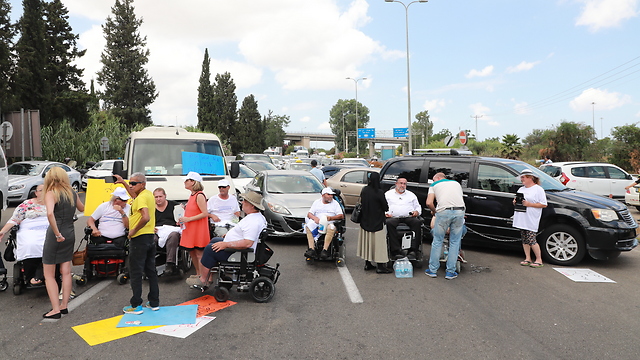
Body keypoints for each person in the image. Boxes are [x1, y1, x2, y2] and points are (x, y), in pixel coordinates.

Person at [186, 191, 267, 288]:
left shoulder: (253, 222)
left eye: (245, 201)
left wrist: (226, 244)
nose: (242, 202)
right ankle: (208, 276)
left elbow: (247, 243)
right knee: (215, 240)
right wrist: (228, 236)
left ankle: (203, 279)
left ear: (252, 206)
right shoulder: (256, 217)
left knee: (209, 249)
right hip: (237, 249)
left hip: (240, 253)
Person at [42, 167, 84, 319]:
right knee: (66, 271)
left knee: (49, 274)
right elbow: (83, 208)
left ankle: (55, 309)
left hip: (57, 233)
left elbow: (49, 213)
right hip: (70, 231)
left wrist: (57, 234)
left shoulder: (51, 193)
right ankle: (64, 305)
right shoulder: (71, 192)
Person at [114, 172, 159, 314]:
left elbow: (145, 217)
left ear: (143, 184)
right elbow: (134, 195)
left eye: (134, 183)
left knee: (135, 272)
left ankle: (136, 304)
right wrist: (123, 182)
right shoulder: (146, 195)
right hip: (149, 237)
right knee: (151, 271)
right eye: (130, 183)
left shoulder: (141, 198)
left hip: (139, 238)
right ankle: (154, 302)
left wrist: (133, 230)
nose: (131, 186)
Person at [0, 184, 48, 286]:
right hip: (29, 229)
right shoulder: (26, 204)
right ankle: (31, 275)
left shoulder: (53, 204)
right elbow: (14, 219)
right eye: (40, 190)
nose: (43, 192)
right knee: (29, 244)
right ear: (35, 193)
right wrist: (2, 232)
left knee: (49, 243)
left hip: (47, 229)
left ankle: (43, 270)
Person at [425, 172, 465, 280]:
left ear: (437, 178)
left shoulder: (434, 185)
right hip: (459, 211)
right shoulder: (456, 183)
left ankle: (432, 270)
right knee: (455, 242)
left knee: (438, 241)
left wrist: (434, 211)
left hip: (443, 212)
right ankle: (450, 272)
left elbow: (429, 202)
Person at [356, 172, 391, 273]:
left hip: (365, 220)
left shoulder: (365, 190)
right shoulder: (379, 192)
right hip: (377, 222)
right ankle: (380, 266)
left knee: (367, 243)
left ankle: (368, 263)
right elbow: (385, 207)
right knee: (379, 244)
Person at [513, 169, 548, 268]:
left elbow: (544, 204)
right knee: (524, 238)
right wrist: (516, 201)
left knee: (531, 238)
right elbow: (518, 199)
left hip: (531, 217)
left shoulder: (538, 189)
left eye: (523, 177)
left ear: (530, 178)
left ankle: (539, 259)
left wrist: (530, 204)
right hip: (522, 216)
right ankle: (527, 258)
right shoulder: (521, 189)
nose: (521, 179)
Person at [179, 171, 210, 279]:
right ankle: (198, 274)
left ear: (193, 182)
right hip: (190, 228)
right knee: (192, 252)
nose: (185, 182)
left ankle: (203, 276)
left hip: (197, 229)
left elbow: (205, 213)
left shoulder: (199, 195)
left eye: (187, 180)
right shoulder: (192, 195)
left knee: (199, 254)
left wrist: (188, 218)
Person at [385, 177, 422, 259]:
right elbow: (381, 206)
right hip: (393, 217)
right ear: (396, 184)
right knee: (389, 223)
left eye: (404, 184)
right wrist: (385, 214)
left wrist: (416, 212)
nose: (402, 185)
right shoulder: (388, 194)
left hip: (408, 217)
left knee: (417, 222)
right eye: (401, 183)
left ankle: (413, 250)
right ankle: (395, 251)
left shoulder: (411, 195)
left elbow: (418, 207)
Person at [303, 188, 344, 260]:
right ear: (323, 195)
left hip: (329, 223)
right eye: (328, 195)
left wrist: (331, 218)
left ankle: (324, 250)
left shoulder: (335, 203)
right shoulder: (317, 202)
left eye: (331, 195)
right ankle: (311, 249)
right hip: (318, 223)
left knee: (330, 228)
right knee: (308, 226)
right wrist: (315, 218)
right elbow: (309, 214)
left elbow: (341, 215)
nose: (331, 196)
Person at [153, 187, 181, 276]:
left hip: (172, 228)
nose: (158, 199)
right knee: (150, 238)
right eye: (156, 197)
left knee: (174, 236)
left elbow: (182, 215)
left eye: (160, 196)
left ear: (165, 196)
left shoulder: (174, 205)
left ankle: (170, 264)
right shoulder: (150, 208)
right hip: (157, 229)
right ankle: (150, 264)